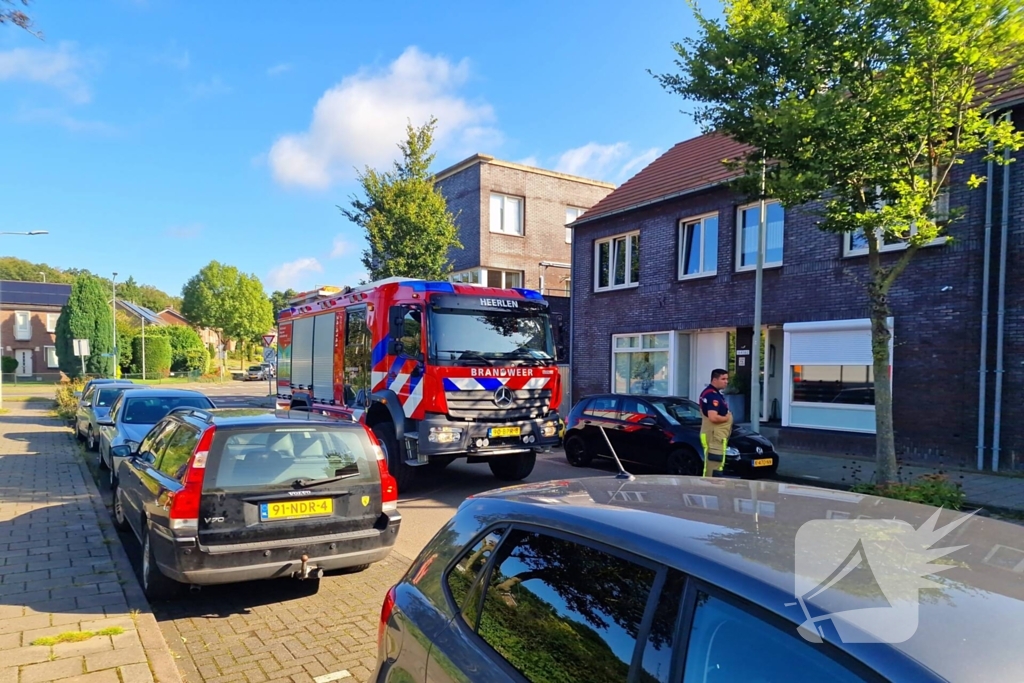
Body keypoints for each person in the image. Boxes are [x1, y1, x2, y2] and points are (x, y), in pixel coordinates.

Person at [699, 368, 733, 476]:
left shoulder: (713, 393)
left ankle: (712, 487)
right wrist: (727, 418)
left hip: (716, 435)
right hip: (714, 436)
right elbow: (713, 417)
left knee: (715, 464)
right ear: (714, 380)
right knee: (714, 466)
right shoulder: (711, 395)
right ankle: (711, 488)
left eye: (727, 379)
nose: (726, 381)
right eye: (723, 379)